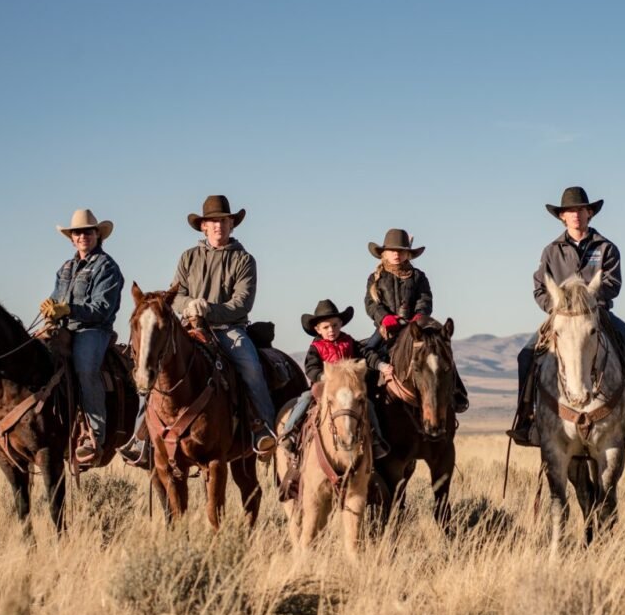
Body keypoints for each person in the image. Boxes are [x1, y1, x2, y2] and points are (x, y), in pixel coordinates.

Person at [508, 187, 625, 446]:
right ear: (562, 217)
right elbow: (540, 288)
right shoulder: (551, 251)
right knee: (526, 356)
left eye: (580, 210)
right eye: (570, 211)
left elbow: (612, 283)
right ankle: (526, 418)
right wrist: (557, 308)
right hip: (561, 318)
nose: (576, 215)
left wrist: (589, 302)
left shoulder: (606, 247)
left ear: (590, 213)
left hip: (596, 314)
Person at [171, 195, 276, 454]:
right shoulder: (188, 257)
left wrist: (209, 309)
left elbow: (242, 303)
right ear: (203, 226)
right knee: (156, 366)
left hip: (229, 328)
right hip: (190, 327)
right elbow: (175, 294)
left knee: (251, 367)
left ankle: (264, 427)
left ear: (231, 224)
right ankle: (143, 437)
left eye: (224, 220)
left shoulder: (244, 259)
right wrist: (189, 305)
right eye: (213, 221)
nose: (219, 225)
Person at [40, 208, 124, 461]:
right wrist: (50, 309)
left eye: (88, 232)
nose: (82, 236)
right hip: (64, 327)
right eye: (77, 232)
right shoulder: (65, 268)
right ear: (72, 238)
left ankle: (95, 436)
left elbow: (102, 308)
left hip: (93, 330)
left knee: (86, 369)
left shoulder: (107, 267)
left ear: (98, 235)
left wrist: (68, 309)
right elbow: (56, 297)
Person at [364, 229, 469, 412]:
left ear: (408, 254)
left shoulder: (418, 276)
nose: (396, 254)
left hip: (415, 327)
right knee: (367, 352)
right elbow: (371, 303)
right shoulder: (375, 278)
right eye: (392, 250)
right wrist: (385, 317)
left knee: (440, 350)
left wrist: (419, 315)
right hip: (387, 328)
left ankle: (457, 392)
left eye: (401, 250)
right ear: (384, 253)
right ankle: (367, 398)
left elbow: (424, 298)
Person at [279, 299, 390, 459]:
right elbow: (311, 368)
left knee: (368, 404)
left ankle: (375, 440)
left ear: (341, 324)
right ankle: (289, 433)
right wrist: (324, 376)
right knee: (306, 398)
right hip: (325, 387)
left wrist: (380, 365)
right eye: (326, 327)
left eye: (335, 325)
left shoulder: (349, 341)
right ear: (318, 329)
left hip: (348, 389)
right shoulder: (316, 348)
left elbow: (367, 355)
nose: (331, 330)